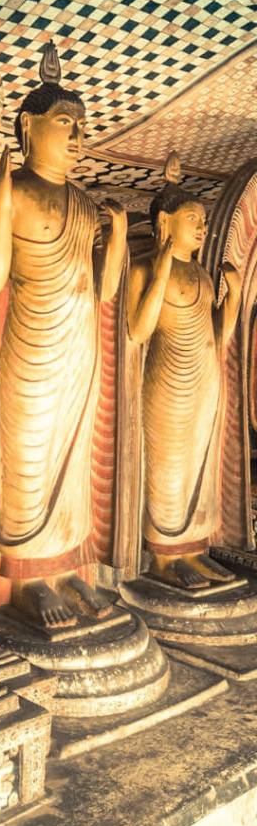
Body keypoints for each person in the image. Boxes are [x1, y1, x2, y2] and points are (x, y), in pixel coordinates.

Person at [0, 42, 127, 629]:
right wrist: (2, 199)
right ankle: (30, 582)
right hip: (33, 345)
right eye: (66, 122)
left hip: (79, 345)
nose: (78, 135)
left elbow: (104, 292)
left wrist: (114, 232)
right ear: (27, 127)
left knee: (72, 459)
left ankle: (64, 571)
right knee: (30, 458)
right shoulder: (8, 194)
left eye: (83, 125)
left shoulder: (85, 203)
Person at [127, 154, 240, 588]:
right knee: (167, 465)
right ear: (165, 223)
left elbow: (218, 339)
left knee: (199, 464)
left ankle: (193, 549)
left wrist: (229, 300)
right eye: (193, 218)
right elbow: (138, 331)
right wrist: (159, 270)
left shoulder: (202, 276)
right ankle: (162, 557)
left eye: (204, 220)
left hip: (204, 379)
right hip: (166, 382)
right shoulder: (143, 269)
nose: (202, 227)